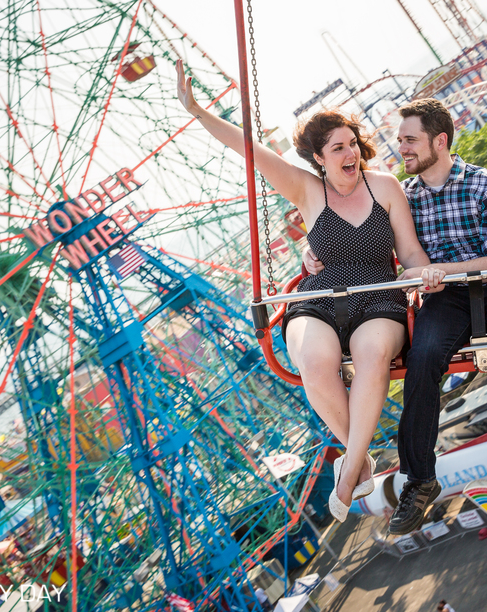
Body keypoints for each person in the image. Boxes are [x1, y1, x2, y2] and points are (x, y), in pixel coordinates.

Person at [304, 99, 487, 535]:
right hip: (444, 299)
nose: (402, 149)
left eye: (410, 140)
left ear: (440, 141)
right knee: (423, 359)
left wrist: (441, 270)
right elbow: (362, 234)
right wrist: (312, 248)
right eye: (400, 141)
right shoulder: (402, 196)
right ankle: (418, 478)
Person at [176, 61, 433, 523]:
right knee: (314, 361)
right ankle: (362, 458)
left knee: (373, 352)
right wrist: (196, 110)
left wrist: (426, 274)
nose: (350, 152)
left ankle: (352, 465)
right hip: (321, 293)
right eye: (338, 148)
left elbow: (410, 252)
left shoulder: (384, 186)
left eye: (353, 143)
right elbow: (250, 151)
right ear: (319, 158)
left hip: (378, 291)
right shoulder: (308, 192)